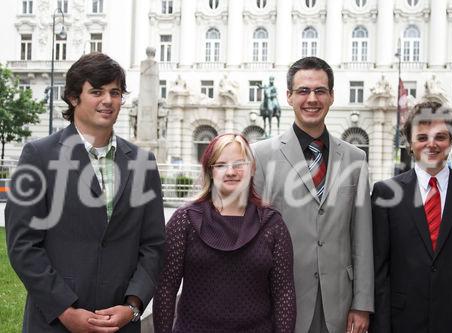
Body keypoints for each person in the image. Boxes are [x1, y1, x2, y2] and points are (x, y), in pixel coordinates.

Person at [5, 52, 166, 332]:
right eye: (96, 91)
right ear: (73, 97)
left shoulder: (143, 163)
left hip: (121, 324)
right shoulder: (38, 156)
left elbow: (152, 245)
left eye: (115, 92)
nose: (108, 100)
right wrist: (64, 311)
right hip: (55, 322)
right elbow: (22, 244)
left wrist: (133, 305)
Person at [252, 56, 373, 333]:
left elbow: (363, 237)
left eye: (320, 91)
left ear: (331, 96)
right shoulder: (261, 155)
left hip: (340, 304)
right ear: (289, 97)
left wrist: (362, 304)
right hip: (280, 300)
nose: (312, 99)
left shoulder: (355, 159)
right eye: (303, 91)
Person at [371, 101, 452, 333]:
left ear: (451, 141)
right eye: (422, 137)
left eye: (440, 136)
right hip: (402, 323)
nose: (431, 144)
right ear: (410, 143)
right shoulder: (385, 193)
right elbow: (379, 272)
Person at [153, 133, 296, 333]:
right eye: (220, 165)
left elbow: (284, 294)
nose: (231, 172)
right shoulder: (184, 220)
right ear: (210, 171)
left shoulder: (272, 224)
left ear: (252, 168)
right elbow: (166, 288)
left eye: (240, 164)